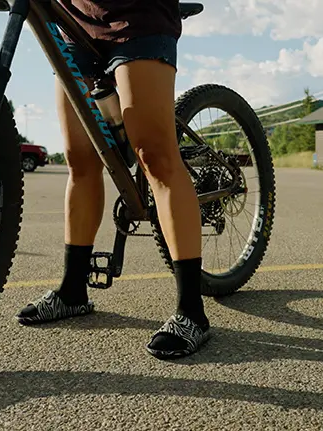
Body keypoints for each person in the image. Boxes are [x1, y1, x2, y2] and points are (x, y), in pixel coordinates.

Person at [14, 0, 210, 359]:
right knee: (81, 159)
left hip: (137, 15)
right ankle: (73, 291)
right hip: (73, 19)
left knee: (156, 157)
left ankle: (191, 311)